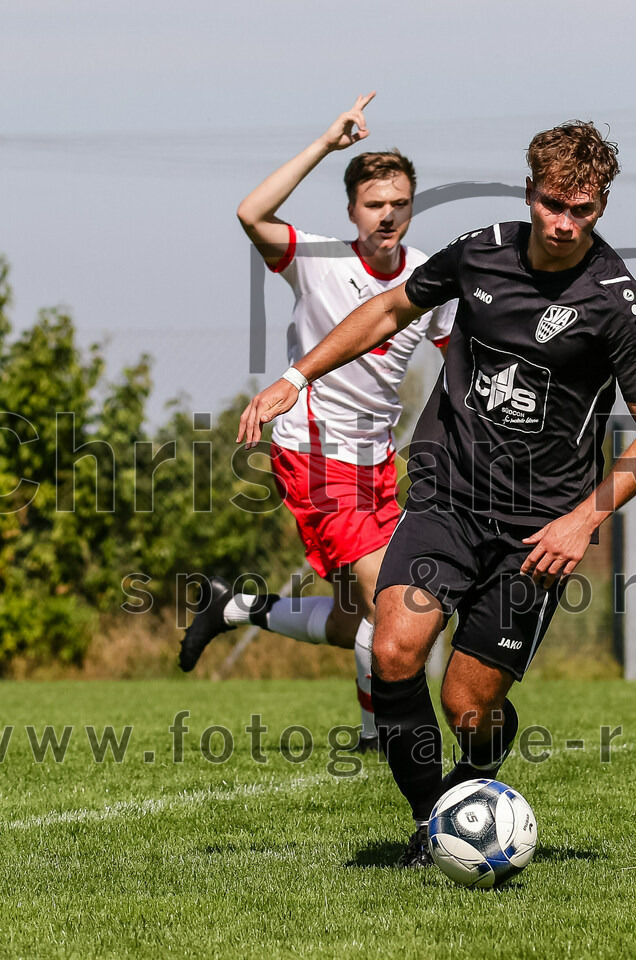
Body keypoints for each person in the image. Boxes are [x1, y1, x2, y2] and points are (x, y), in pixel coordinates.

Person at [238, 120, 636, 863]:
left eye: (584, 210)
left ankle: (475, 781)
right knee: (397, 649)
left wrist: (582, 521)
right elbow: (385, 311)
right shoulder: (479, 253)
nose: (565, 224)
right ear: (530, 191)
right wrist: (296, 376)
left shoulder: (615, 301)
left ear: (601, 207)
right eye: (552, 204)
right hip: (447, 496)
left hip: (538, 529)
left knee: (468, 704)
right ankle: (430, 824)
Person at [180, 94, 454, 754]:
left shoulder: (427, 279)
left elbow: (459, 363)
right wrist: (324, 145)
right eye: (373, 204)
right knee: (401, 602)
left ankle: (236, 608)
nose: (387, 215)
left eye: (399, 204)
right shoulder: (318, 259)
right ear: (353, 209)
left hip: (377, 462)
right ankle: (379, 737)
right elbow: (251, 213)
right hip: (313, 453)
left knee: (359, 619)